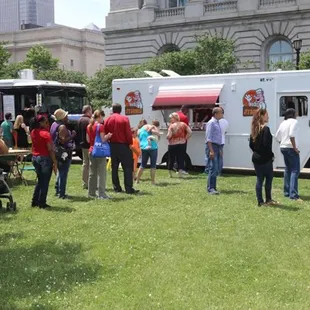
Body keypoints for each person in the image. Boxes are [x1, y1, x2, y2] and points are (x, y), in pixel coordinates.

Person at [104, 103, 139, 194]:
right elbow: (128, 133)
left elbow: (105, 132)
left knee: (114, 167)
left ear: (113, 110)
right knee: (127, 167)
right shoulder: (124, 119)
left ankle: (117, 187)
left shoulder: (107, 119)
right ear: (120, 110)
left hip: (113, 145)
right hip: (123, 145)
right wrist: (130, 143)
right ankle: (128, 188)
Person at [249, 109, 277, 207]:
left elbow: (251, 145)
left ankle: (260, 201)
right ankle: (268, 199)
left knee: (259, 179)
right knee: (269, 178)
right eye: (266, 115)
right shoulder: (265, 129)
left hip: (256, 158)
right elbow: (266, 145)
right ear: (262, 116)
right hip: (265, 159)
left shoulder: (254, 129)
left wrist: (257, 152)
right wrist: (271, 156)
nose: (268, 117)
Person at [31, 115, 57, 209]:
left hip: (35, 157)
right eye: (46, 122)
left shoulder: (33, 132)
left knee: (40, 180)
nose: (48, 124)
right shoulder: (45, 134)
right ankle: (42, 202)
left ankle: (35, 201)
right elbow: (50, 149)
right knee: (45, 182)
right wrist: (55, 162)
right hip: (45, 158)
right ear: (41, 123)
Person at [275, 108, 302, 201]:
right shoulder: (294, 122)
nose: (297, 114)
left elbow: (277, 136)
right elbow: (292, 135)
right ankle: (293, 194)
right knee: (295, 170)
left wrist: (282, 143)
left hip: (283, 147)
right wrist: (295, 148)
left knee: (287, 170)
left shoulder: (283, 122)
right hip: (290, 148)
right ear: (293, 114)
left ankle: (286, 192)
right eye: (296, 113)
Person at [50, 109, 76, 199]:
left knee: (60, 172)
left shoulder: (54, 124)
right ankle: (62, 193)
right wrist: (72, 135)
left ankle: (58, 190)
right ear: (62, 118)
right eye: (66, 116)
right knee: (63, 173)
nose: (67, 117)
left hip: (56, 151)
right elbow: (63, 140)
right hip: (63, 152)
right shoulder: (62, 127)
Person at [86, 110, 112, 199]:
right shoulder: (100, 126)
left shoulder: (89, 126)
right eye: (102, 117)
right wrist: (108, 136)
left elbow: (88, 140)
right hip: (99, 152)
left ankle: (91, 193)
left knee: (92, 173)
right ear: (100, 116)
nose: (103, 119)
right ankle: (102, 193)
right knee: (102, 174)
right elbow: (103, 139)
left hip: (91, 150)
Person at [167, 113, 192, 178]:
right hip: (182, 143)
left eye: (171, 118)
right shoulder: (183, 124)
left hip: (172, 144)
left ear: (174, 118)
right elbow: (190, 132)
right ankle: (180, 174)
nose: (170, 120)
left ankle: (170, 174)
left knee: (171, 158)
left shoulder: (171, 126)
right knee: (181, 158)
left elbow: (169, 135)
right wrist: (185, 138)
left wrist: (167, 137)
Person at [206, 107, 223, 194]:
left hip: (217, 146)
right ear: (216, 114)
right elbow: (208, 138)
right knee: (213, 167)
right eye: (221, 113)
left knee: (216, 168)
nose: (222, 114)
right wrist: (211, 150)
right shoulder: (211, 123)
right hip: (212, 146)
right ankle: (210, 188)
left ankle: (213, 187)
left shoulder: (217, 123)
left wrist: (219, 149)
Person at [77, 105, 92, 190]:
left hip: (82, 144)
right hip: (89, 144)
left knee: (85, 163)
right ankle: (90, 182)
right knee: (91, 164)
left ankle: (85, 182)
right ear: (88, 111)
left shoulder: (79, 120)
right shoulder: (89, 121)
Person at [218, 108, 229, 175]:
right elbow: (225, 131)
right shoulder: (226, 122)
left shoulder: (216, 121)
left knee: (215, 157)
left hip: (216, 141)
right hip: (222, 141)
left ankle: (216, 171)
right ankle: (219, 171)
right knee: (220, 157)